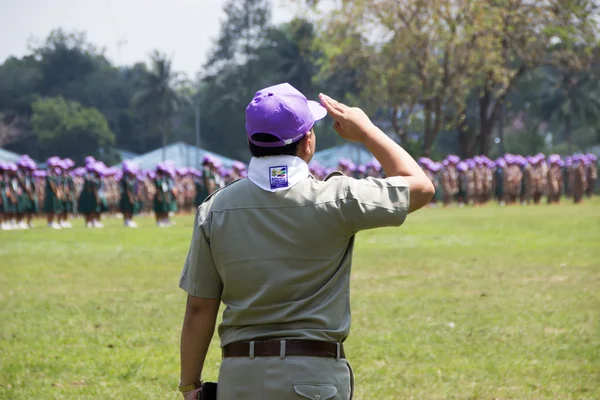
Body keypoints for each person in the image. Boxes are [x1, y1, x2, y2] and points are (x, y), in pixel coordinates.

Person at [177, 83, 434, 400]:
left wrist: (190, 385)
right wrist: (366, 131)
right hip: (315, 379)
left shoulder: (214, 210)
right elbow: (420, 186)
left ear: (250, 140)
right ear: (308, 141)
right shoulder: (338, 197)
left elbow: (200, 308)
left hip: (239, 380)